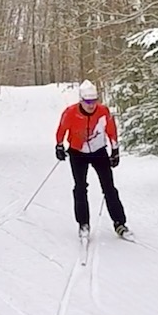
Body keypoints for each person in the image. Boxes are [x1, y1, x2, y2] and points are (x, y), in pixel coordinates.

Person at [55, 80, 129, 238]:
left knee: (109, 187)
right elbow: (62, 129)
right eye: (88, 101)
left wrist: (115, 150)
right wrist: (59, 145)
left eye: (94, 100)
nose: (91, 105)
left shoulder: (103, 111)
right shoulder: (70, 112)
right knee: (80, 188)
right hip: (77, 152)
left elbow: (111, 130)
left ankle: (119, 223)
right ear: (81, 100)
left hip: (98, 151)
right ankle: (83, 224)